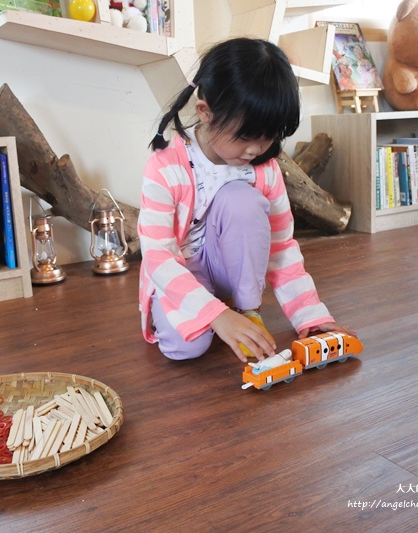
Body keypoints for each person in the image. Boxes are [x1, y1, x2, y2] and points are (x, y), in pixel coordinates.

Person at [137, 37, 355, 364]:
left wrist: (310, 314)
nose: (256, 149)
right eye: (245, 137)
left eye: (268, 136)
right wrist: (214, 315)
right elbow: (158, 256)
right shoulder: (165, 165)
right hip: (181, 271)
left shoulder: (264, 169)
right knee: (186, 349)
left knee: (242, 201)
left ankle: (246, 309)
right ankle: (210, 310)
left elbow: (281, 247)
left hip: (227, 269)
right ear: (205, 113)